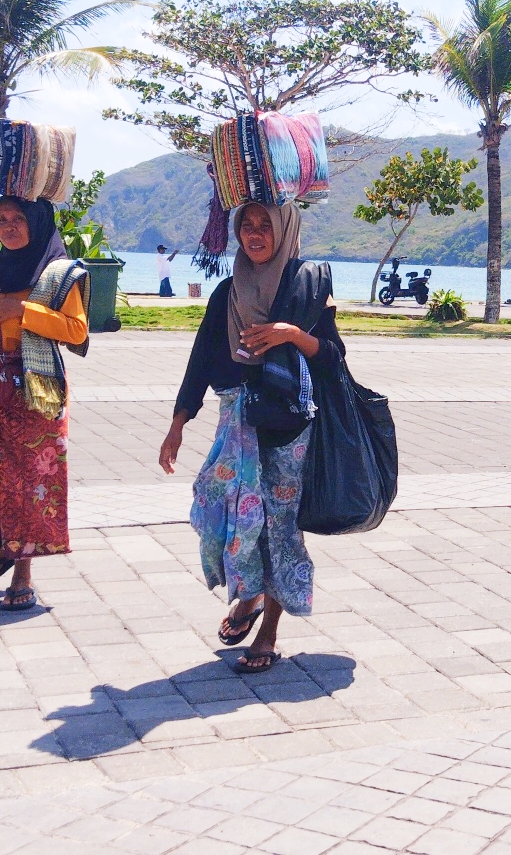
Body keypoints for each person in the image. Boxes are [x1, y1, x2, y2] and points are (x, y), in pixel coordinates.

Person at [160, 201, 343, 674]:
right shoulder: (226, 292)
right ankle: (251, 593)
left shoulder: (309, 287)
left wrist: (290, 335)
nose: (255, 234)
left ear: (284, 231)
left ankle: (268, 632)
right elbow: (201, 357)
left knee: (279, 526)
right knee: (220, 505)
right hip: (235, 420)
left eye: (266, 226)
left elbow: (332, 356)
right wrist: (178, 423)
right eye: (247, 225)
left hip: (287, 427)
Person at [0, 197, 90, 611]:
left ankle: (22, 573)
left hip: (36, 389)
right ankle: (2, 544)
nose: (8, 226)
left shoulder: (59, 274)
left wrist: (23, 309)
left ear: (37, 223)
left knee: (24, 484)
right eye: (2, 219)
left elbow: (77, 331)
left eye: (18, 219)